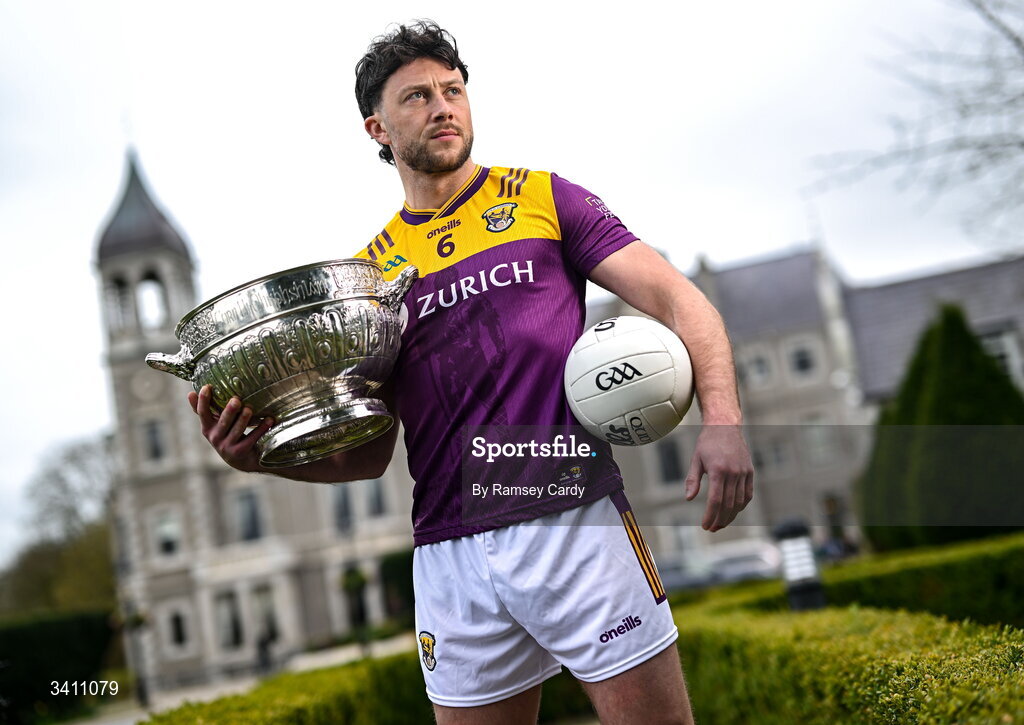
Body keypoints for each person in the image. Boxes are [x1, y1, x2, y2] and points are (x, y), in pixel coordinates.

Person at [188, 20, 754, 725]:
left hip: (575, 522)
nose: (443, 106)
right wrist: (264, 459)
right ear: (377, 128)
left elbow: (680, 298)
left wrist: (723, 418)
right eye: (417, 96)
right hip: (449, 553)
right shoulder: (371, 279)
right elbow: (369, 454)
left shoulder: (546, 199)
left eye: (453, 90)